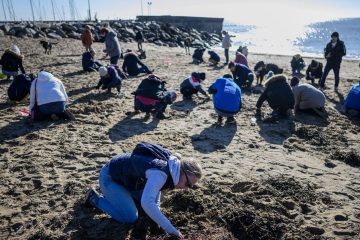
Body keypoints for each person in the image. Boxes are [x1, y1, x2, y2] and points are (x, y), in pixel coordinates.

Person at [84, 142, 202, 239]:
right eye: (188, 184)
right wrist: (171, 230)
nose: (187, 188)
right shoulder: (161, 173)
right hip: (110, 177)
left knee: (147, 207)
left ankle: (121, 198)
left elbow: (156, 194)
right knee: (130, 217)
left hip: (128, 179)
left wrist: (156, 219)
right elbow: (148, 202)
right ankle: (94, 199)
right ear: (183, 172)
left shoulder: (172, 167)